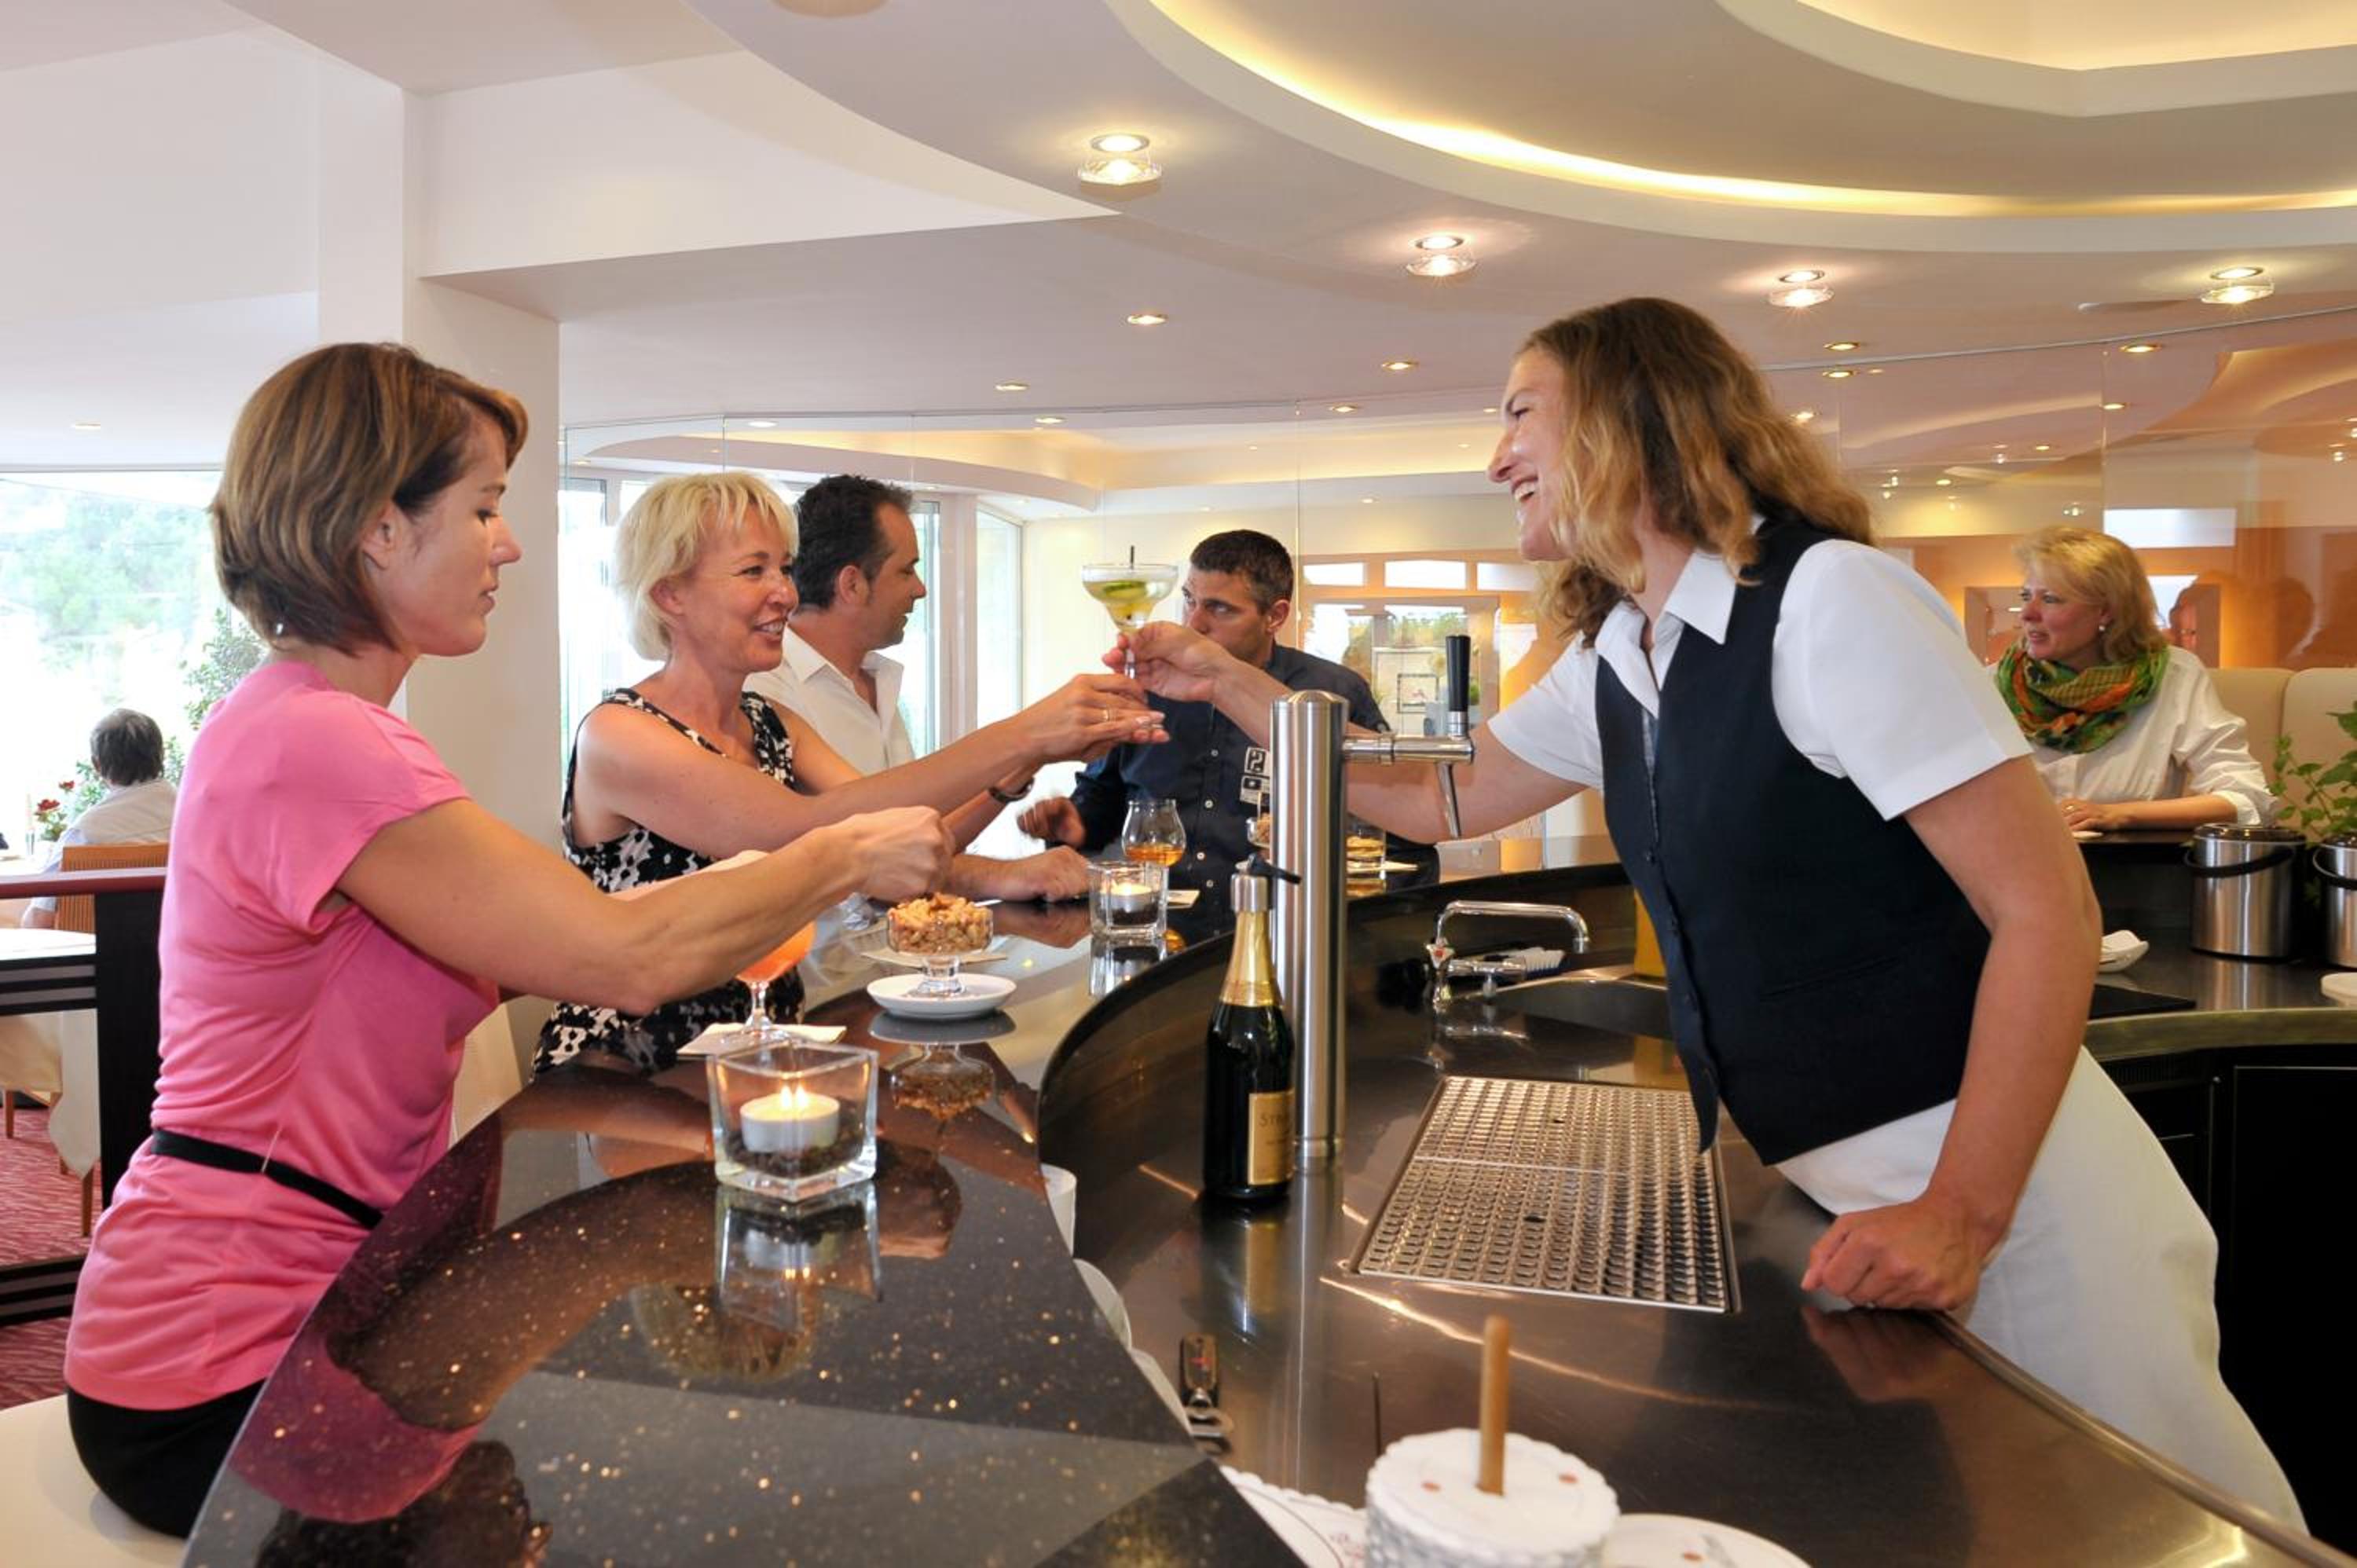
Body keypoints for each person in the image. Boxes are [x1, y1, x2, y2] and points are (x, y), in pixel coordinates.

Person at [1114, 298, 2300, 1522]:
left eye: (1521, 413)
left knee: (2170, 1523)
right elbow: (1438, 797)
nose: (1498, 456)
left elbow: (2045, 912)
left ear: (1632, 420)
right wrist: (1229, 682)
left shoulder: (1831, 600)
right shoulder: (1624, 648)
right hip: (1859, 1192)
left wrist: (1962, 1213)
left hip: (2018, 1195)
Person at [64, 343, 955, 1537]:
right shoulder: (320, 742)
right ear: (380, 527)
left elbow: (589, 933)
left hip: (334, 1301)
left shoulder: (317, 726)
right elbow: (626, 960)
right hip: (227, 1369)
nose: (509, 543)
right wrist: (837, 855)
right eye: (484, 507)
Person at [537, 471, 1160, 1075]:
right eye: (754, 571)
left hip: (775, 1038)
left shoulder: (772, 721)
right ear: (669, 595)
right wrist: (1026, 733)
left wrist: (1030, 754)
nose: (784, 592)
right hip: (631, 1060)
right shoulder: (620, 734)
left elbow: (895, 826)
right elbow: (799, 830)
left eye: (784, 568)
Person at [1020, 529, 1412, 915]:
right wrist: (1077, 822)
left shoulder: (1330, 695)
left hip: (1288, 924)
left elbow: (1397, 835)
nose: (1195, 623)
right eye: (1190, 600)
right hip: (1152, 920)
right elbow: (1103, 797)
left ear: (1275, 616)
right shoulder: (1147, 687)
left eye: (1219, 608)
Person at [2001, 527, 2273, 831]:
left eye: (2051, 599)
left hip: (2131, 859)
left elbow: (2247, 799)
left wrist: (2119, 814)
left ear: (2106, 611)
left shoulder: (2175, 675)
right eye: (2026, 596)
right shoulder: (1991, 686)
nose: (2027, 613)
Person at [746, 474, 929, 775]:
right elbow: (859, 802)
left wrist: (1002, 783)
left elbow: (911, 804)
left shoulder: (877, 679)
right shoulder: (767, 691)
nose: (920, 589)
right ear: (852, 584)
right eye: (906, 571)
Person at [20, 708, 177, 929]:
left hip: (98, 950)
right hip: (180, 947)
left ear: (97, 765)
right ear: (162, 754)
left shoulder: (84, 833)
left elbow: (39, 922)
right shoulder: (196, 816)